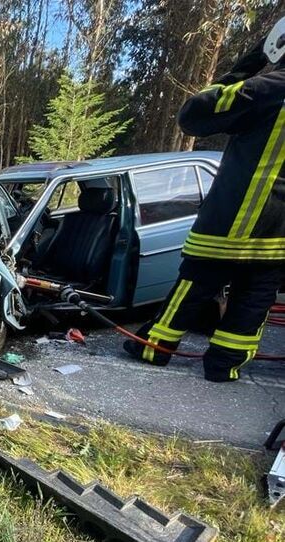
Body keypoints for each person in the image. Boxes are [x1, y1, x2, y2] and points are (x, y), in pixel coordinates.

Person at [125, 27, 285, 381]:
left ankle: (155, 347)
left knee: (193, 288)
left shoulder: (270, 90)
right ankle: (224, 366)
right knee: (254, 301)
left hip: (230, 223)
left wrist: (253, 61)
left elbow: (194, 113)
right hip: (278, 238)